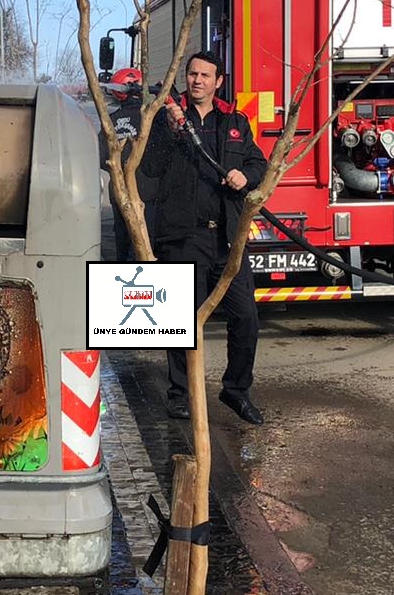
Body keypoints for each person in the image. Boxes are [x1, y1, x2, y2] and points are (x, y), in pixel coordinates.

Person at [142, 51, 268, 425]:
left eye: (205, 75)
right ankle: (180, 394)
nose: (197, 80)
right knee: (180, 322)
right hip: (183, 237)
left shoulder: (235, 122)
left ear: (218, 82)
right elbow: (149, 167)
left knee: (246, 318)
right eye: (192, 74)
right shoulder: (167, 121)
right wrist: (166, 129)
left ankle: (236, 390)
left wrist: (247, 177)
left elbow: (258, 163)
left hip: (227, 239)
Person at [98, 68, 152, 261]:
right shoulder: (150, 117)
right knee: (144, 244)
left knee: (124, 243)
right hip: (147, 194)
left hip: (119, 193)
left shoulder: (111, 120)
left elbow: (101, 155)